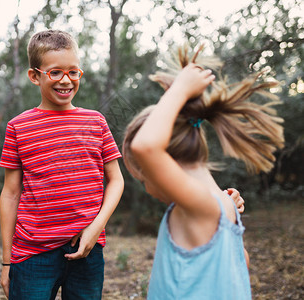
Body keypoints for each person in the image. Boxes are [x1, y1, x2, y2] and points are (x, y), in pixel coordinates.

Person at [122, 45, 284, 299]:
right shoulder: (217, 206)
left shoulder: (203, 206)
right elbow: (241, 263)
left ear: (167, 162)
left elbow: (145, 146)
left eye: (145, 176)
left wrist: (180, 90)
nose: (147, 186)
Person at [0, 29, 124, 300]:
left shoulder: (96, 122)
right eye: (55, 72)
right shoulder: (18, 127)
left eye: (73, 72)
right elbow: (10, 193)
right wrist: (7, 261)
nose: (66, 80)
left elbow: (116, 180)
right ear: (35, 76)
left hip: (87, 251)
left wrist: (95, 229)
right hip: (32, 255)